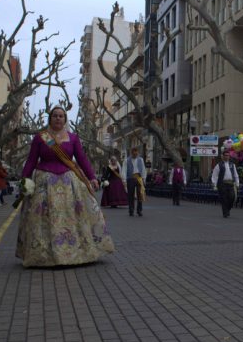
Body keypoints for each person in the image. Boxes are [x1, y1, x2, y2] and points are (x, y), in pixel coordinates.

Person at [16, 106, 114, 267]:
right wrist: (24, 180)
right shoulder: (41, 138)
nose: (58, 119)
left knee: (74, 214)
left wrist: (91, 177)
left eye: (61, 116)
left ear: (65, 119)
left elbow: (82, 159)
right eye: (55, 116)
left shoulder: (73, 138)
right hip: (44, 183)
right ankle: (42, 255)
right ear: (50, 118)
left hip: (69, 183)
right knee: (43, 217)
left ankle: (74, 253)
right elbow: (31, 161)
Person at [211, 149, 240, 218]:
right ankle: (225, 212)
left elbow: (236, 175)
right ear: (223, 156)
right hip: (222, 184)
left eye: (228, 155)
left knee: (232, 197)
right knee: (224, 199)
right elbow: (215, 175)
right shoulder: (219, 165)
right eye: (225, 155)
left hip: (231, 184)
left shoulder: (232, 165)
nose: (227, 157)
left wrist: (237, 183)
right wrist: (214, 185)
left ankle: (228, 209)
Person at [121, 147, 146, 216]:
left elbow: (143, 169)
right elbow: (124, 170)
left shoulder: (141, 160)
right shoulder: (126, 160)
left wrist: (144, 179)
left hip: (139, 178)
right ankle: (131, 210)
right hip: (130, 178)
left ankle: (139, 210)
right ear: (131, 153)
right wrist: (124, 180)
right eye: (134, 153)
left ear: (138, 152)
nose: (135, 154)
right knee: (130, 195)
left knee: (140, 195)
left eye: (136, 153)